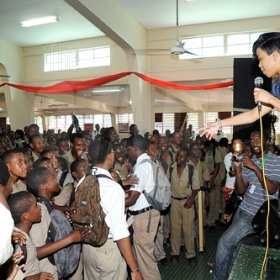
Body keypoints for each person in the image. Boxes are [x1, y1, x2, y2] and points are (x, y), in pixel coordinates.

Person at [212, 130, 280, 280]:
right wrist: (238, 170)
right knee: (233, 247)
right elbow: (241, 190)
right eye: (252, 139)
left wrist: (255, 168)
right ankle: (229, 274)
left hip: (255, 215)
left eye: (258, 139)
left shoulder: (276, 161)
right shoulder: (250, 161)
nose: (255, 142)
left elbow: (272, 189)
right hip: (242, 210)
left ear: (267, 141)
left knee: (224, 243)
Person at [82, 139, 142, 280]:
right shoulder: (112, 188)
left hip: (88, 247)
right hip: (107, 249)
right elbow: (119, 233)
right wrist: (134, 269)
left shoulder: (84, 180)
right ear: (109, 156)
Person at [201, 32, 280, 139]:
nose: (259, 65)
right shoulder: (277, 87)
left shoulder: (273, 94)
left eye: (261, 59)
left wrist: (270, 99)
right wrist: (219, 124)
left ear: (274, 55)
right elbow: (252, 115)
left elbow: (272, 101)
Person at [27, 167, 88, 278]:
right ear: (43, 186)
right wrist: (70, 239)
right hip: (48, 272)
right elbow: (37, 253)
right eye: (53, 178)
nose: (57, 180)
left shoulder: (47, 205)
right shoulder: (38, 211)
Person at [125, 135, 161, 280]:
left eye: (128, 149)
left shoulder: (142, 167)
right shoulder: (148, 162)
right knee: (143, 255)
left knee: (146, 259)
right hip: (146, 214)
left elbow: (133, 198)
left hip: (144, 216)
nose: (127, 152)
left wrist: (113, 204)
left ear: (135, 149)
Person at [8, 191, 55, 279]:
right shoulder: (19, 241)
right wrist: (35, 277)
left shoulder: (24, 233)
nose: (40, 208)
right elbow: (12, 276)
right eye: (36, 206)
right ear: (26, 216)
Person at [169, 149, 200, 266]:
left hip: (187, 202)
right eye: (178, 156)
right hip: (174, 202)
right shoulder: (171, 168)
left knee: (188, 230)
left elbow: (196, 187)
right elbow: (168, 183)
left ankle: (191, 254)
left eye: (182, 156)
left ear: (187, 159)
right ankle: (174, 253)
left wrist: (191, 200)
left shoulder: (191, 169)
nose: (178, 158)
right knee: (175, 229)